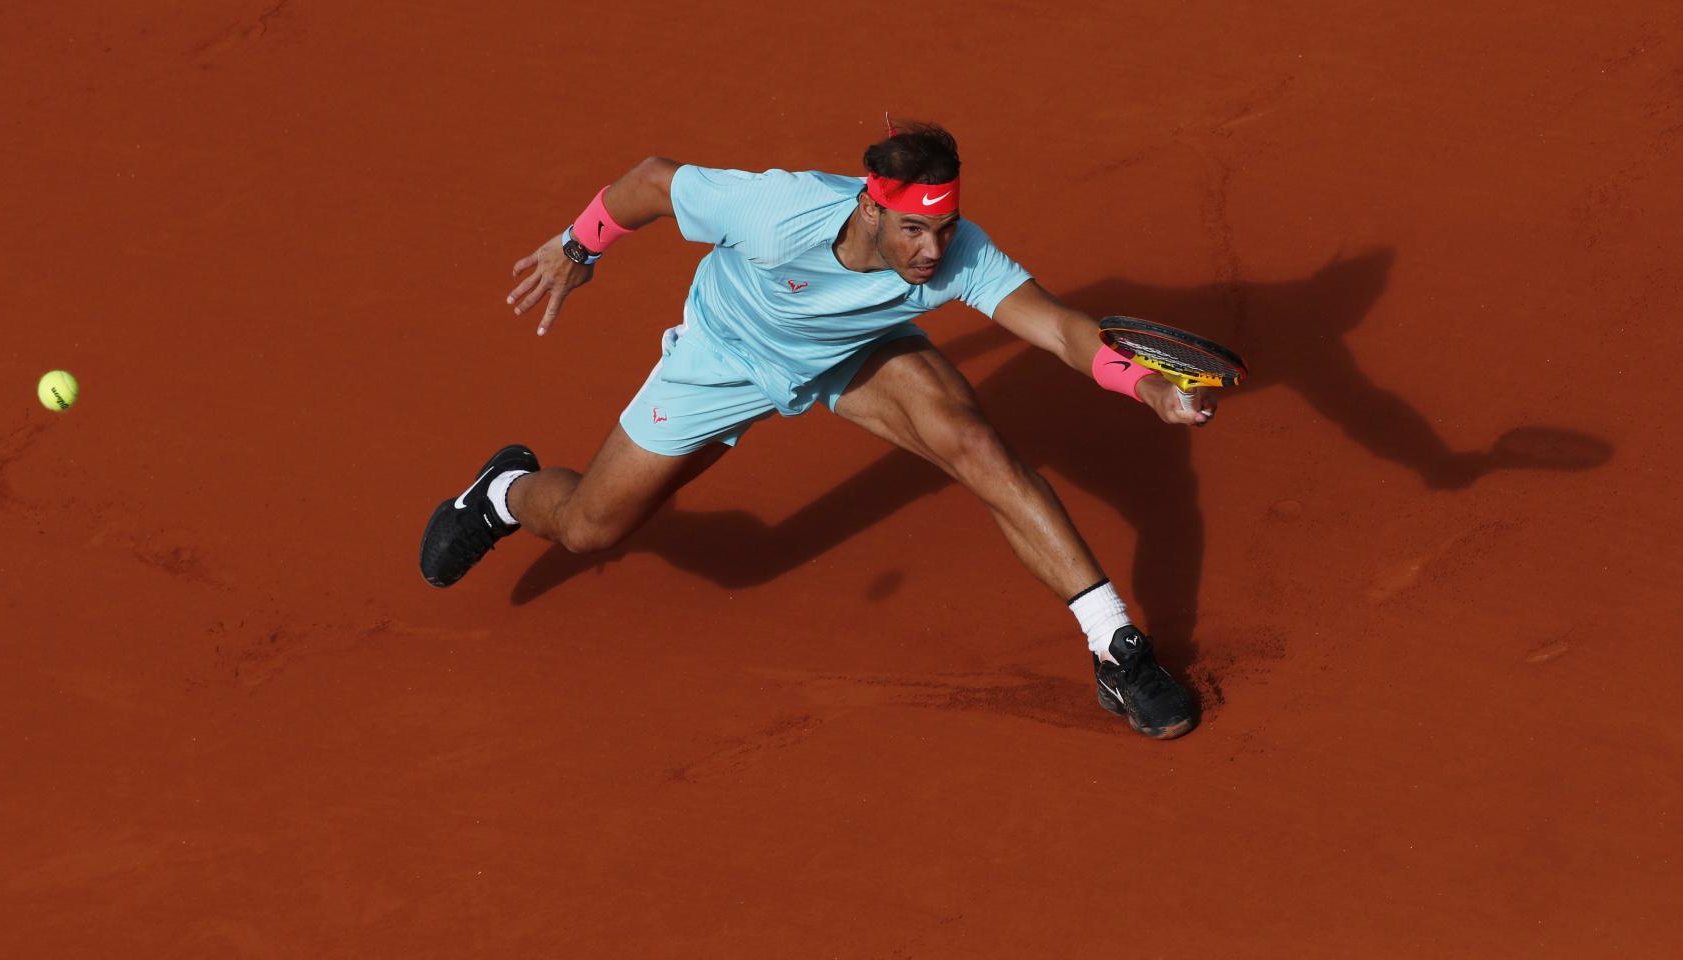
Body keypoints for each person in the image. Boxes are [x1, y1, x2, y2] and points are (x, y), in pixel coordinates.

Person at [420, 121, 1216, 739]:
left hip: (855, 355)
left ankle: (1114, 648)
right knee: (590, 526)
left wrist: (1143, 385)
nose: (932, 253)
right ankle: (503, 493)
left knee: (977, 447)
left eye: (944, 230)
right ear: (871, 207)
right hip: (725, 354)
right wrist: (576, 247)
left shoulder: (955, 253)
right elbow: (654, 182)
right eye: (912, 231)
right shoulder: (778, 211)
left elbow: (1059, 329)